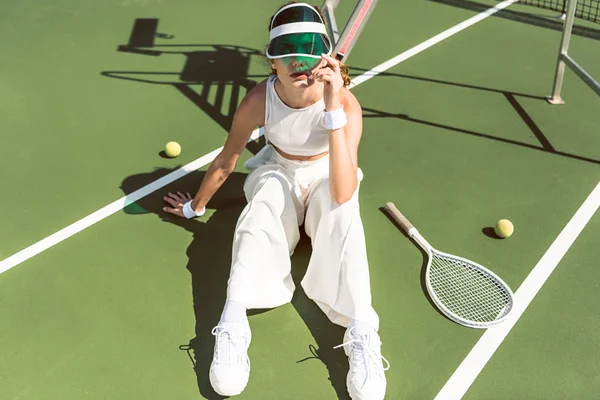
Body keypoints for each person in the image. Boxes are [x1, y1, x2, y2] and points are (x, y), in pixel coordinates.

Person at [162, 2, 389, 399]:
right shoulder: (257, 100)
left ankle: (361, 330)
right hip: (279, 171)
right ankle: (232, 323)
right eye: (289, 56)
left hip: (327, 177)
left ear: (323, 57)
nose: (300, 65)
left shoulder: (347, 105)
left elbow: (341, 189)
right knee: (259, 209)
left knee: (344, 214)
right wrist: (193, 207)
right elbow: (228, 158)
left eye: (308, 53)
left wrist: (333, 107)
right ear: (273, 63)